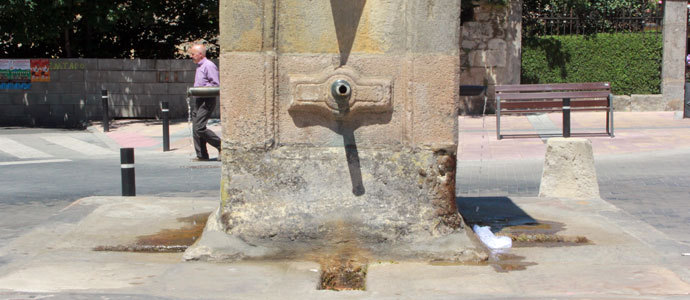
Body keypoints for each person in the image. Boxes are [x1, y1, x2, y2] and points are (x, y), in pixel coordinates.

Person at [189, 44, 221, 161]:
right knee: (195, 127)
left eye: (193, 54)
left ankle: (220, 145)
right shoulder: (199, 66)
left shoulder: (209, 66)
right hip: (199, 99)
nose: (191, 56)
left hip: (207, 99)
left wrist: (202, 89)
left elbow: (216, 85)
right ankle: (202, 155)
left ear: (200, 54)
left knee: (199, 127)